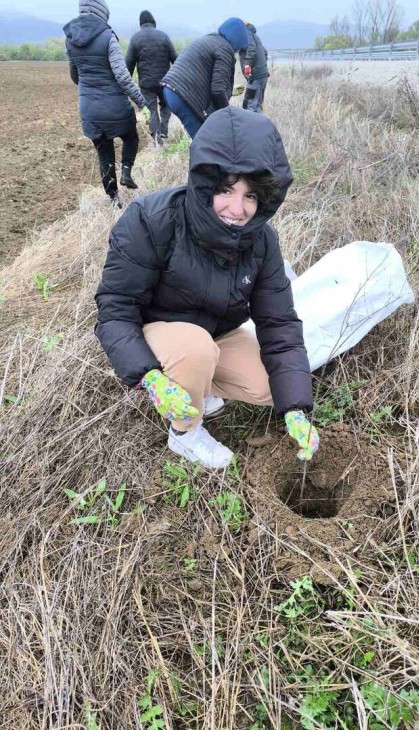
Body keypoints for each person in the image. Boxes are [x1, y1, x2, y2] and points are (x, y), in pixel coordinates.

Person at [95, 106, 320, 469]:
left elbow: (279, 323)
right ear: (204, 184)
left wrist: (295, 408)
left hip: (215, 335)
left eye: (250, 196)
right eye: (226, 190)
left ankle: (197, 385)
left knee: (270, 386)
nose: (237, 209)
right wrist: (149, 376)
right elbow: (115, 309)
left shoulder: (262, 241)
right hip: (158, 334)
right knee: (194, 350)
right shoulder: (151, 220)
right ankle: (185, 434)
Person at [64, 0, 150, 205]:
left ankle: (114, 201)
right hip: (115, 106)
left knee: (104, 155)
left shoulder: (70, 39)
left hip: (89, 110)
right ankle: (126, 172)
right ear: (102, 11)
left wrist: (89, 88)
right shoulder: (107, 35)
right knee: (131, 137)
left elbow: (75, 75)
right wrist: (142, 102)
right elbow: (122, 76)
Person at [160, 18, 249, 139]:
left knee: (203, 137)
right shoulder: (225, 49)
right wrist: (228, 115)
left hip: (170, 91)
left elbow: (208, 79)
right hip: (182, 95)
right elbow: (218, 90)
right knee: (205, 141)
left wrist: (230, 91)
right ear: (237, 41)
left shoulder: (210, 39)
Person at [126, 10, 177, 145]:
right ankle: (163, 131)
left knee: (151, 110)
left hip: (146, 84)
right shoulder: (163, 36)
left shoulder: (135, 38)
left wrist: (126, 84)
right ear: (154, 22)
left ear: (140, 24)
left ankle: (156, 138)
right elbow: (175, 59)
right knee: (166, 105)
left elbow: (129, 64)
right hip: (165, 82)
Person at [240, 22, 269, 113]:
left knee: (249, 106)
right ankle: (261, 122)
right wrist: (261, 67)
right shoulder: (256, 37)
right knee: (258, 106)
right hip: (263, 75)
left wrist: (247, 65)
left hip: (255, 77)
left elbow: (251, 48)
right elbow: (265, 52)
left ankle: (250, 123)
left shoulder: (247, 34)